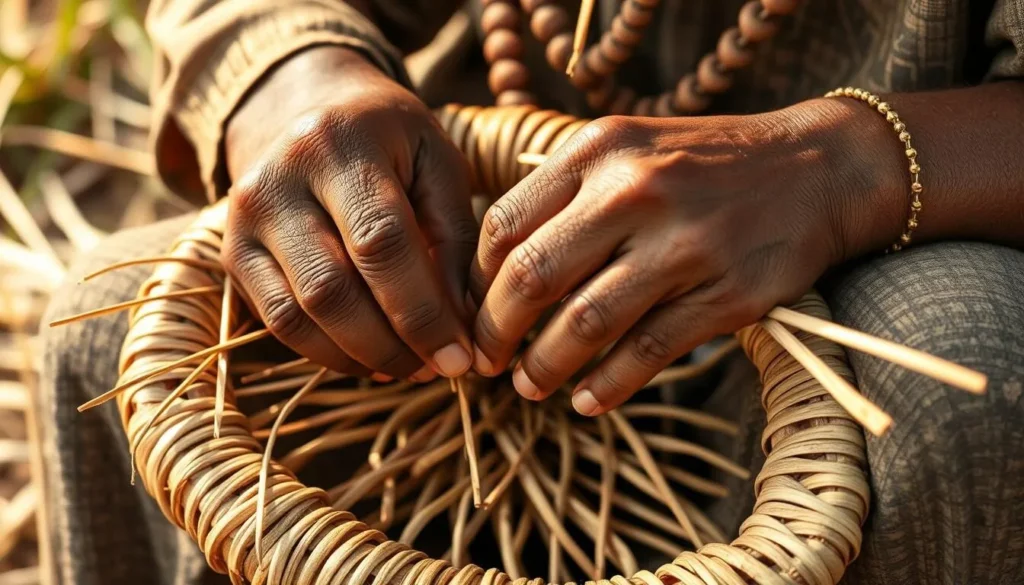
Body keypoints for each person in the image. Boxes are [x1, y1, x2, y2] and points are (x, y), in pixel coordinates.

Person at [38, 1, 1024, 584]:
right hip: (471, 251)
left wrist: (841, 166)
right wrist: (294, 78)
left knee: (960, 365)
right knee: (117, 311)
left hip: (890, 248)